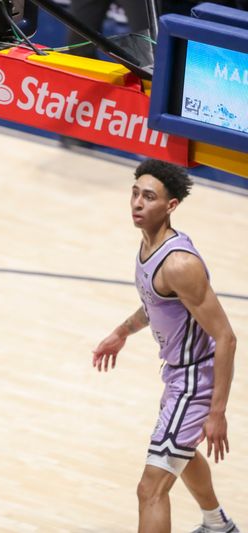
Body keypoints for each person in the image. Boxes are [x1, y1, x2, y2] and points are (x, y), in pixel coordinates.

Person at [92, 159, 239, 533]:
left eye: (150, 197)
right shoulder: (149, 248)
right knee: (182, 454)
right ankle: (217, 524)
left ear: (170, 206)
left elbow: (226, 337)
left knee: (150, 489)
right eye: (136, 193)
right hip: (178, 376)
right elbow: (158, 305)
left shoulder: (178, 264)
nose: (137, 203)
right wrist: (123, 331)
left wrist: (216, 412)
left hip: (195, 381)